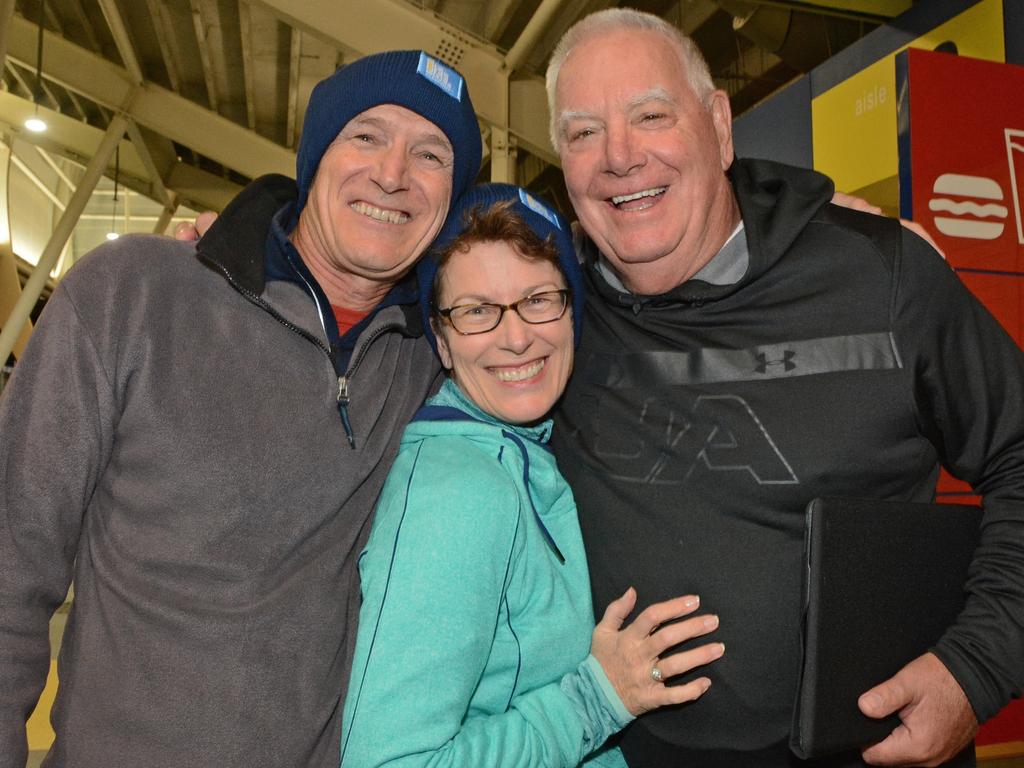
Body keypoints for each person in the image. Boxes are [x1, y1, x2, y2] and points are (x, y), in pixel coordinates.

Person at [544, 9, 1024, 768]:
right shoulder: (546, 319)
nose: (620, 156)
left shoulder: (880, 277)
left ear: (719, 126)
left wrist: (978, 668)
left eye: (650, 115)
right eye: (582, 133)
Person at [0, 50, 481, 768]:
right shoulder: (130, 296)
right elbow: (11, 562)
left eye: (432, 153)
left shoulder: (436, 360)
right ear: (315, 156)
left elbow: (544, 280)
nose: (393, 173)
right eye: (367, 135)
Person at [339, 183, 724, 767]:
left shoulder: (523, 443)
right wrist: (596, 699)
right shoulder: (460, 494)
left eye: (539, 299)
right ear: (441, 342)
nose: (516, 337)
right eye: (476, 312)